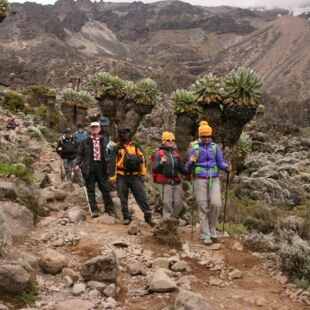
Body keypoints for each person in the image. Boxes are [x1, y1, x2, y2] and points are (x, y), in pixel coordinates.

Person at [186, 121, 232, 245]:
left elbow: (220, 163)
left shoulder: (215, 147)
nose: (206, 138)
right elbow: (188, 169)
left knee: (216, 203)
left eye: (208, 136)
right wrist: (191, 162)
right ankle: (205, 234)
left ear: (210, 136)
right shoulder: (194, 148)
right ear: (200, 136)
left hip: (214, 178)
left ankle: (212, 228)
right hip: (200, 179)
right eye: (203, 136)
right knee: (202, 206)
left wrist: (226, 167)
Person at [109, 124, 155, 227]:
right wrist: (112, 177)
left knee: (141, 196)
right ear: (120, 134)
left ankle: (148, 217)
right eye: (123, 132)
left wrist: (142, 174)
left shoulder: (136, 146)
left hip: (135, 176)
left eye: (127, 132)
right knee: (123, 197)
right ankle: (126, 217)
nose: (125, 134)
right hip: (122, 175)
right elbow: (112, 163)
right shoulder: (116, 148)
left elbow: (143, 160)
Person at [75, 122, 114, 218]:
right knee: (90, 188)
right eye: (92, 127)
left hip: (102, 166)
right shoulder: (85, 141)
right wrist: (77, 164)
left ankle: (109, 209)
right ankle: (94, 209)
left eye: (96, 127)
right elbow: (80, 153)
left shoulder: (105, 140)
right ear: (90, 129)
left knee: (105, 188)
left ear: (100, 128)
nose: (94, 129)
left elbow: (110, 153)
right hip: (89, 166)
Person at [152, 131, 188, 218]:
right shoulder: (158, 153)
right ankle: (167, 225)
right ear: (164, 141)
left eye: (173, 140)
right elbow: (155, 169)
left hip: (176, 182)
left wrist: (192, 164)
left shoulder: (175, 154)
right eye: (168, 140)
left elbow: (183, 170)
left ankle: (171, 222)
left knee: (178, 204)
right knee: (167, 205)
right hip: (165, 182)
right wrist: (161, 163)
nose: (171, 142)